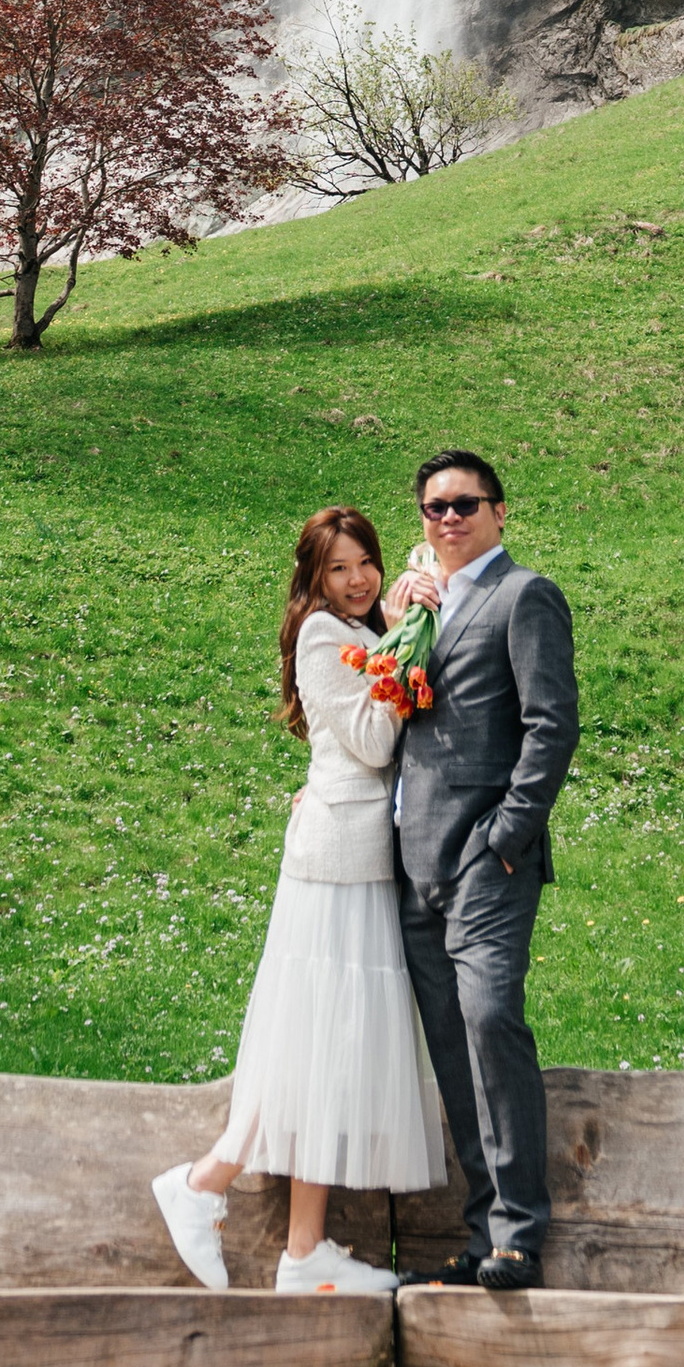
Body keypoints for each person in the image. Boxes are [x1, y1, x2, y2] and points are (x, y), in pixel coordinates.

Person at [151, 504, 444, 1294]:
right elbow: (375, 741)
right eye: (338, 569)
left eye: (366, 563)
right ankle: (204, 1183)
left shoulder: (368, 628)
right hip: (334, 867)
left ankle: (306, 1249)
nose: (357, 580)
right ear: (314, 579)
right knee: (313, 1042)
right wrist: (403, 640)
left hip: (363, 862)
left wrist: (407, 617)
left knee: (331, 1051)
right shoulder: (324, 636)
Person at [389, 450, 578, 1291]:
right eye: (435, 507)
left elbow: (551, 726)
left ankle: (520, 1234)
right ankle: (480, 1234)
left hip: (488, 860)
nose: (450, 518)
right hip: (411, 859)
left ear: (501, 513)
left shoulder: (523, 596)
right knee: (450, 1044)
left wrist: (508, 834)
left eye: (466, 504)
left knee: (492, 1018)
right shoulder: (422, 605)